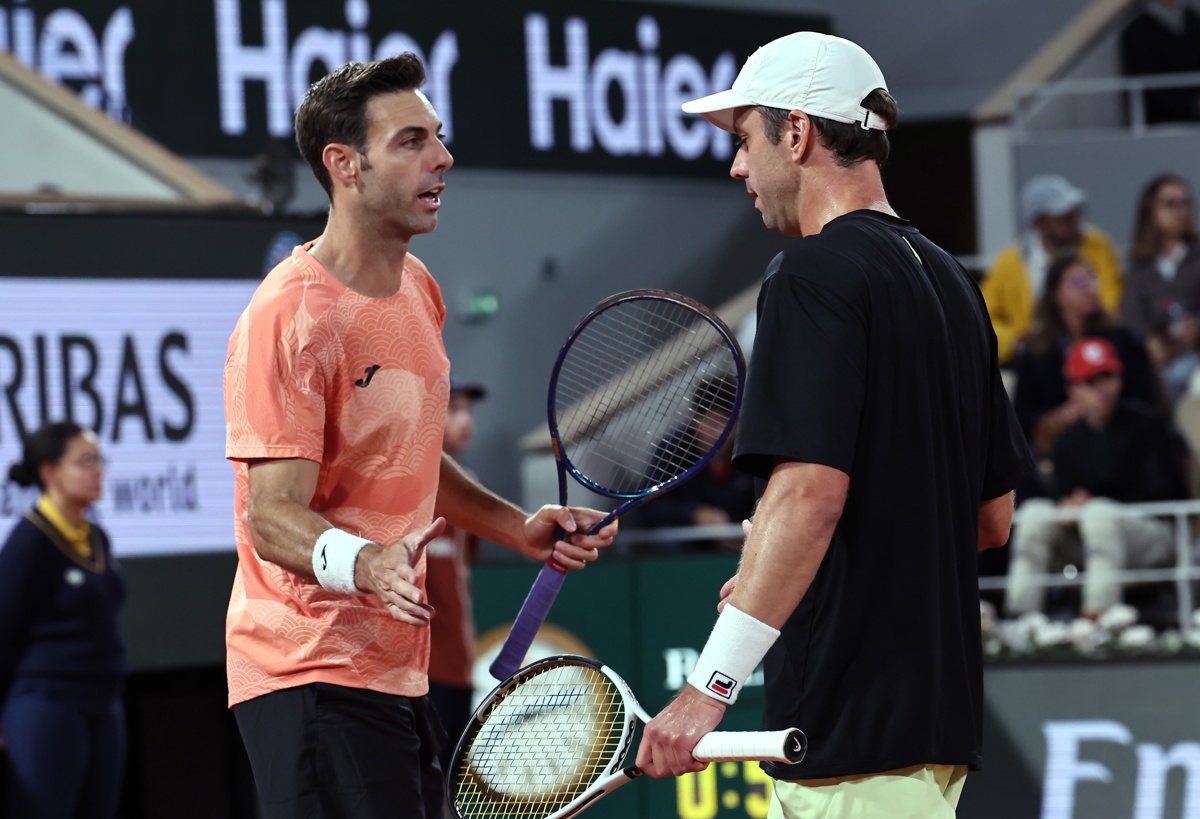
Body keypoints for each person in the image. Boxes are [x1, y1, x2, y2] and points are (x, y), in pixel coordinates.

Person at [635, 32, 1031, 818]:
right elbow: (989, 519)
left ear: (796, 132)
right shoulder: (953, 281)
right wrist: (792, 575)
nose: (736, 167)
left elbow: (810, 495)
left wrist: (704, 692)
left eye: (745, 138)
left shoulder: (812, 273)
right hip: (932, 735)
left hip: (849, 736)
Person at [222, 54, 616, 819]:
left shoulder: (419, 289)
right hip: (308, 668)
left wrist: (516, 527)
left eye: (438, 137)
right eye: (411, 141)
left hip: (399, 671)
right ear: (345, 165)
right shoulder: (290, 316)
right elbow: (271, 514)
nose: (444, 158)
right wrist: (366, 562)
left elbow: (409, 456)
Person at [1006, 337, 1189, 619]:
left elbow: (1168, 490)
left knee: (1099, 513)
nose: (1101, 391)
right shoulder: (1066, 441)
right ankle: (1021, 619)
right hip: (1093, 535)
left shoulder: (1149, 425)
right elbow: (1061, 493)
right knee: (1034, 514)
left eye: (1107, 378)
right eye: (1090, 382)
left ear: (1119, 379)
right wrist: (1067, 505)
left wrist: (1093, 502)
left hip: (1153, 533)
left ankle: (1098, 622)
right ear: (1073, 390)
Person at [0, 421, 127, 819]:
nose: (98, 471)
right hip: (47, 705)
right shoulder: (28, 543)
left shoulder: (97, 537)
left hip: (103, 704)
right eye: (85, 461)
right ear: (49, 472)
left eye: (99, 460)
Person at [1012, 253, 1161, 462]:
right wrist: (1063, 416)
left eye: (1092, 279)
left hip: (1122, 445)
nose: (1088, 287)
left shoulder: (1123, 340)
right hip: (1055, 450)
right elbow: (1021, 418)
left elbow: (1148, 401)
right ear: (1056, 294)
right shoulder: (1037, 351)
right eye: (1078, 282)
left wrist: (1104, 405)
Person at [980, 174, 1123, 365]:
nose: (1074, 220)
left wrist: (1083, 331)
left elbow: (1110, 301)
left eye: (1075, 212)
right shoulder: (1010, 263)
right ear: (1037, 223)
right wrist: (1014, 341)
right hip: (1031, 357)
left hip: (1091, 348)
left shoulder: (1098, 246)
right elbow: (982, 317)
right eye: (1063, 216)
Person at [425, 381, 486, 780]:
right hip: (419, 672)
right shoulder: (406, 487)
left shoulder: (470, 484)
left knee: (452, 784)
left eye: (468, 409)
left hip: (459, 666)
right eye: (453, 409)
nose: (466, 420)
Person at [638, 376, 756, 552]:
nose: (718, 432)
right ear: (695, 419)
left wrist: (737, 534)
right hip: (686, 549)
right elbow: (648, 507)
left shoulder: (750, 453)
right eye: (711, 422)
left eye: (726, 422)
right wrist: (695, 514)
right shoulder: (672, 449)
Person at [1123, 173, 1200, 404]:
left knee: (1178, 378)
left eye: (1185, 203)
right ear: (1150, 211)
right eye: (1170, 204)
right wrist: (1149, 341)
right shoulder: (1139, 265)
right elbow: (1132, 316)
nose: (1180, 210)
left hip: (1194, 356)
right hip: (1155, 357)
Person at [1120, 0, 1200, 125]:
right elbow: (1146, 82)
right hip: (1159, 123)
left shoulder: (1192, 20)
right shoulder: (1137, 31)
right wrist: (1191, 104)